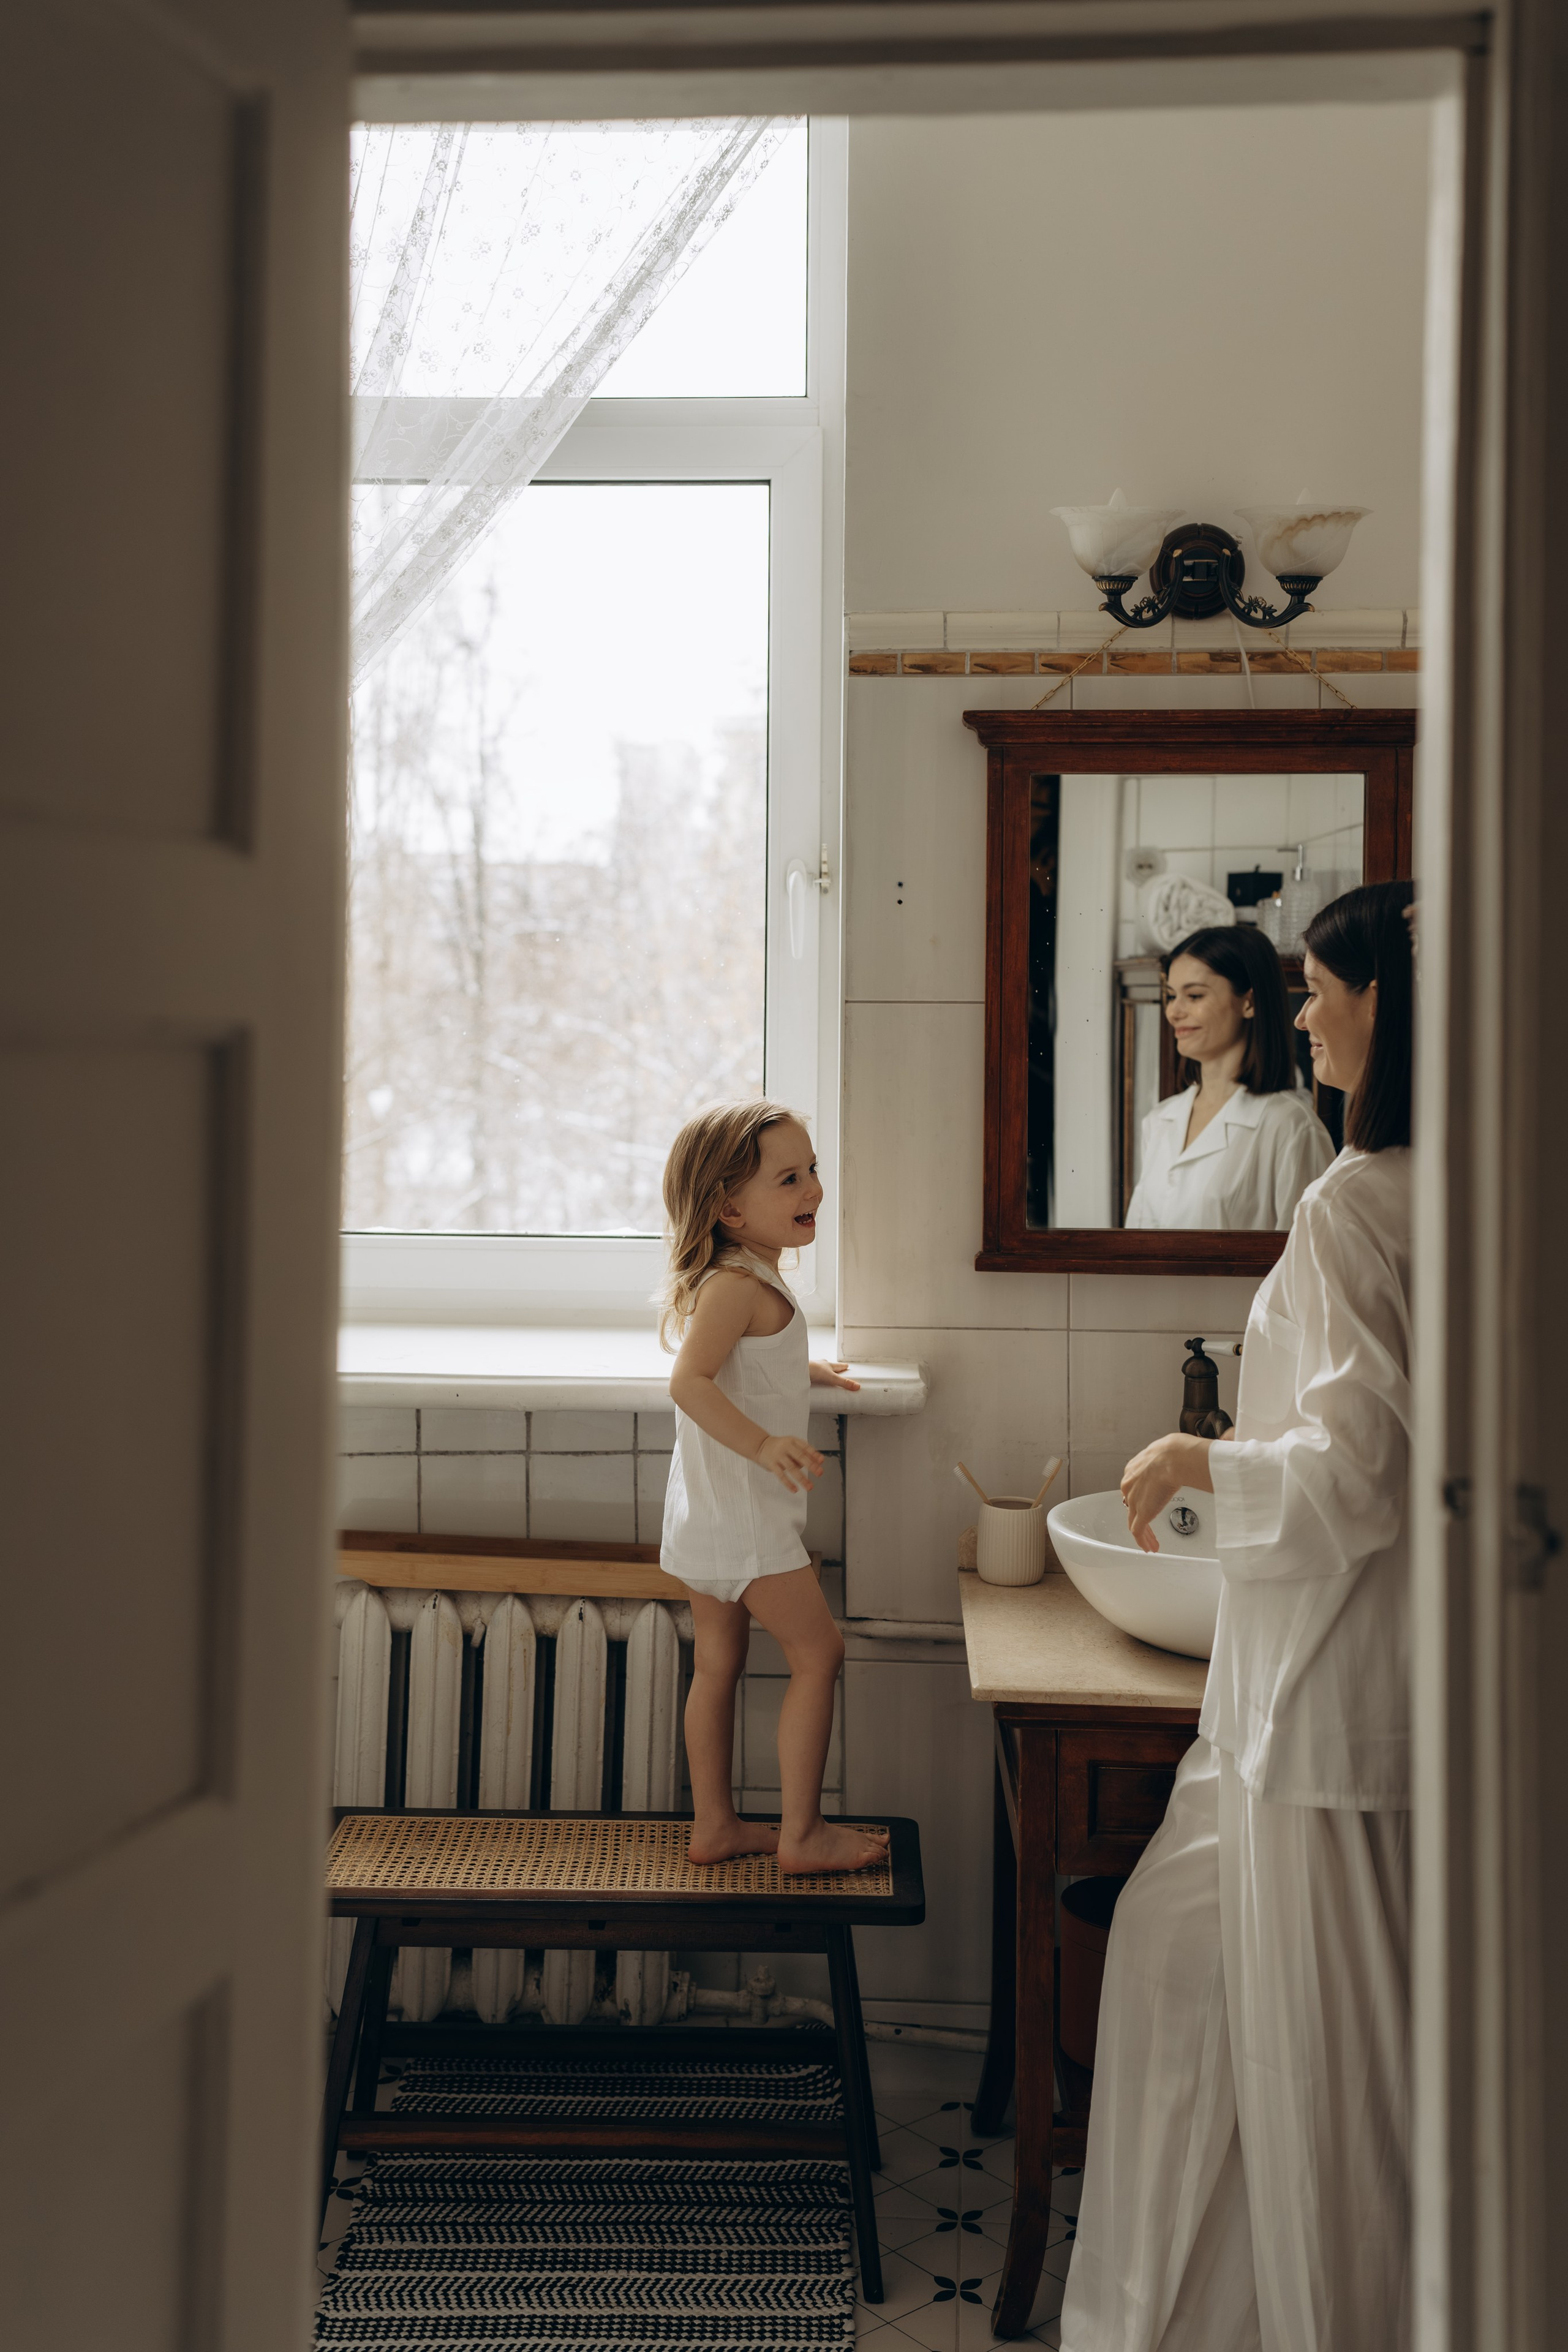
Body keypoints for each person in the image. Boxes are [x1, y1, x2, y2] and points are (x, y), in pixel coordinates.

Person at [1061, 880, 1417, 2352]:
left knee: (1335, 2072)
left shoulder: (1348, 1198)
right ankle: (1176, 2308)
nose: (1307, 1007)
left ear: (1389, 1006)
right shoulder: (1467, 1182)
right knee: (1185, 1964)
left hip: (1320, 1692)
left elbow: (1352, 1466)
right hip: (1339, 1684)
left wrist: (1199, 1456)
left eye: (1326, 985)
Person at [657, 1099, 889, 1874]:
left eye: (812, 1170)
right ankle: (801, 1835)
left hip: (710, 1515)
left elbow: (741, 1362)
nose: (812, 1190)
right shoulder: (735, 1285)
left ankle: (715, 1826)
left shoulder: (748, 1278)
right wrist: (763, 1443)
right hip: (745, 1517)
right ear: (729, 1208)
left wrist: (802, 1370)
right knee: (819, 1653)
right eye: (788, 1179)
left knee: (718, 1662)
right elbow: (689, 1382)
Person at [1125, 924, 1333, 1231]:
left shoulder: (1291, 1126)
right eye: (1171, 996)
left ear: (1249, 1002)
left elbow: (1305, 1263)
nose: (1174, 1012)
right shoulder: (1159, 1121)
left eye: (1194, 996)